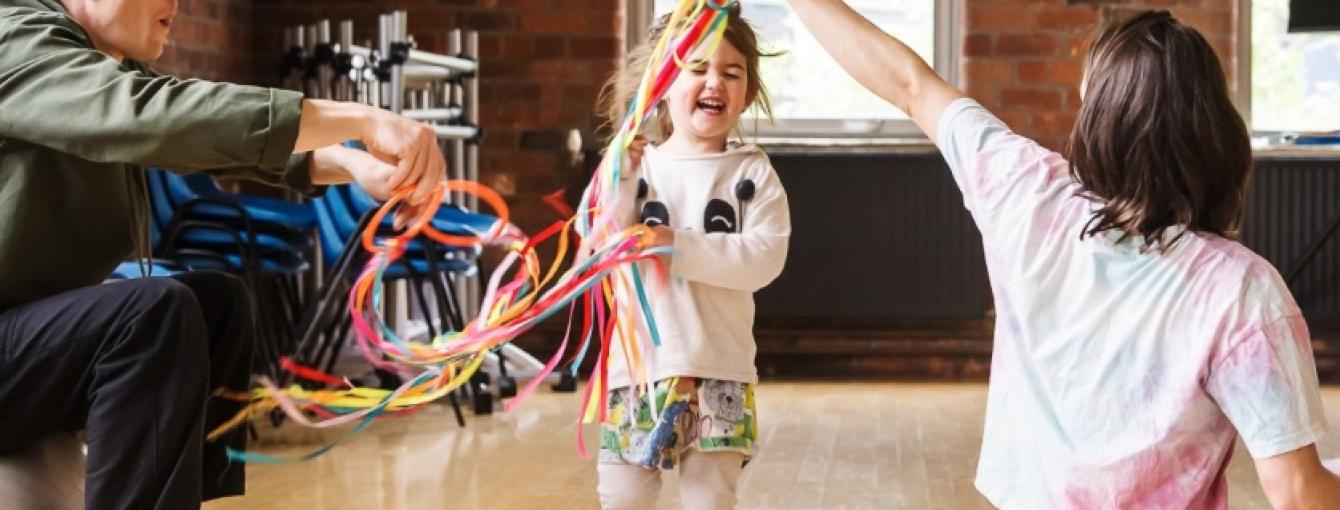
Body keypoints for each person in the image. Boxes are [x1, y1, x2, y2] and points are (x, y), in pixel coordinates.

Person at [786, 1, 1340, 507]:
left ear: (1098, 119)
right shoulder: (1242, 291)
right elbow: (1297, 494)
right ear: (1215, 128)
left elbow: (909, 83)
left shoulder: (1027, 192)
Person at [0, 0, 446, 507]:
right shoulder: (13, 37)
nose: (174, 3)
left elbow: (197, 134)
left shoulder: (90, 60)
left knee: (218, 302)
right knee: (151, 314)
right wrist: (359, 119)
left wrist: (349, 162)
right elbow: (157, 116)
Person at [589, 6, 791, 509]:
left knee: (710, 500)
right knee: (622, 498)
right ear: (662, 83)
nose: (714, 81)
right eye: (696, 68)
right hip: (636, 372)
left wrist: (675, 244)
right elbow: (601, 246)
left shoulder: (752, 172)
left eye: (731, 72)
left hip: (721, 370)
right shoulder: (635, 166)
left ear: (747, 92)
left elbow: (765, 257)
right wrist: (620, 185)